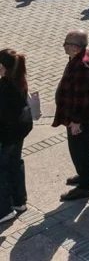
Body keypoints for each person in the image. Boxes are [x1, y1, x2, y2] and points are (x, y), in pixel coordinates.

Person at [53, 31, 89, 202]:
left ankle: (85, 186)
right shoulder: (85, 55)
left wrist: (75, 121)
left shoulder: (82, 65)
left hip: (80, 119)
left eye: (65, 44)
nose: (63, 46)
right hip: (82, 118)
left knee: (79, 150)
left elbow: (82, 98)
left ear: (74, 48)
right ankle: (84, 175)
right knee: (84, 149)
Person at [0, 50, 31, 224]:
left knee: (2, 170)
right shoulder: (20, 81)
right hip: (18, 133)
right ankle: (19, 201)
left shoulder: (3, 87)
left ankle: (4, 210)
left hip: (5, 135)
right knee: (15, 164)